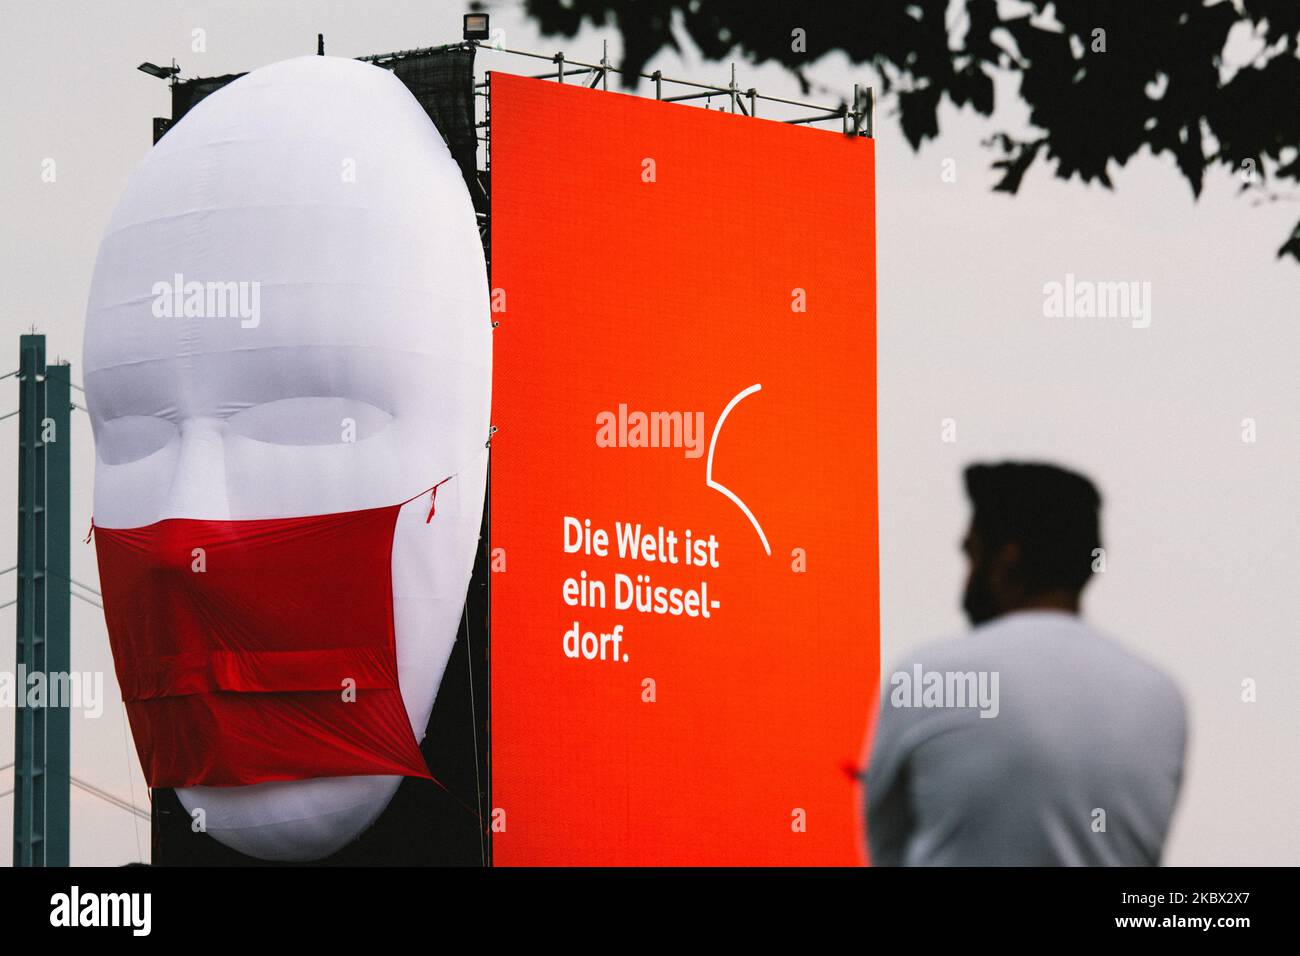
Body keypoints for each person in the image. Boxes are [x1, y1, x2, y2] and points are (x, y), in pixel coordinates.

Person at [863, 462, 1187, 866]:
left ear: (1006, 562)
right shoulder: (1159, 695)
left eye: (972, 555)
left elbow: (888, 848)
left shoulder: (928, 676)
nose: (965, 584)